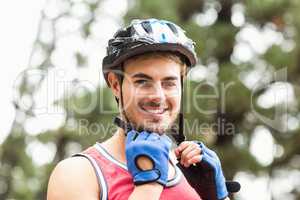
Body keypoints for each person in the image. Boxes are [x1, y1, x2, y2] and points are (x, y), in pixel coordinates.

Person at [47, 18, 238, 200]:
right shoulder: (78, 174)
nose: (158, 96)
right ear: (115, 84)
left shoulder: (194, 176)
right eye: (142, 81)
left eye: (169, 83)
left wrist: (218, 197)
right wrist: (149, 186)